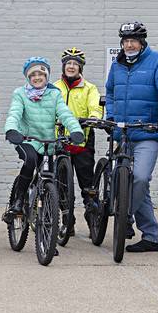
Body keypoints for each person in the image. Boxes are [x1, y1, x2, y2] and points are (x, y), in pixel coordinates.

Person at [106, 22, 158, 252]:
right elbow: (110, 92)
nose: (129, 44)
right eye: (125, 41)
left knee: (138, 177)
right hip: (124, 133)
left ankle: (125, 216)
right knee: (137, 186)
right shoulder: (117, 66)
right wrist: (110, 116)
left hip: (148, 132)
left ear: (142, 42)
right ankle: (151, 237)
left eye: (134, 40)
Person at [4, 57, 84, 222]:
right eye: (33, 75)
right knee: (30, 160)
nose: (37, 77)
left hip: (48, 143)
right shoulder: (20, 94)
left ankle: (48, 228)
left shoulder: (54, 93)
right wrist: (11, 129)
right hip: (26, 139)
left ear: (46, 76)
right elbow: (14, 113)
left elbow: (65, 113)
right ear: (28, 77)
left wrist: (76, 130)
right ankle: (18, 201)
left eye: (41, 74)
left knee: (49, 178)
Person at [53, 48, 103, 237]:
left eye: (75, 64)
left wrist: (93, 117)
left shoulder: (89, 88)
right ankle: (68, 221)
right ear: (64, 66)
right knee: (62, 185)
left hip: (82, 140)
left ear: (80, 67)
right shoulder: (54, 87)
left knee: (87, 184)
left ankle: (93, 222)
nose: (71, 67)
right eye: (68, 63)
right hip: (60, 141)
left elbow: (95, 107)